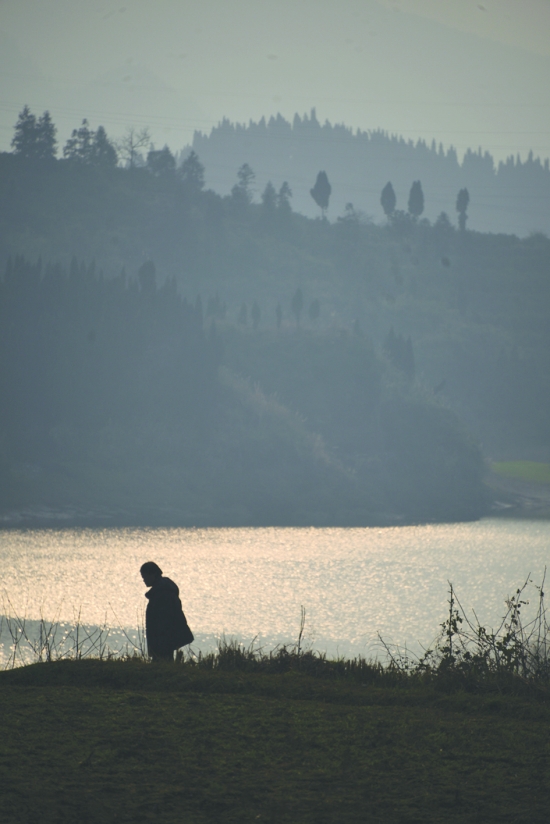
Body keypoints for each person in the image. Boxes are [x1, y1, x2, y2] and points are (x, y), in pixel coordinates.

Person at [140, 561, 194, 662]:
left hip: (162, 639)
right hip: (165, 639)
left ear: (153, 574)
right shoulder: (164, 590)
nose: (144, 580)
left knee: (162, 662)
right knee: (166, 661)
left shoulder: (162, 593)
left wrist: (158, 642)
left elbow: (163, 621)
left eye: (145, 576)